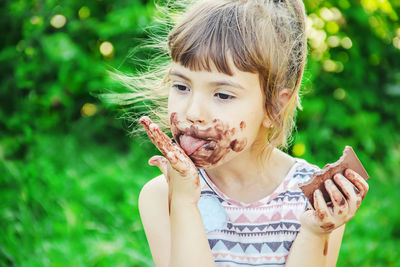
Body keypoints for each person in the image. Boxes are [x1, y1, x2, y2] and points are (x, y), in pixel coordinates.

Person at [124, 0, 370, 266]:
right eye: (182, 87)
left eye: (222, 94)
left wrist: (314, 231)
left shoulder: (316, 199)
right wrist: (184, 202)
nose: (193, 112)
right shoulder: (163, 195)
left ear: (274, 107)